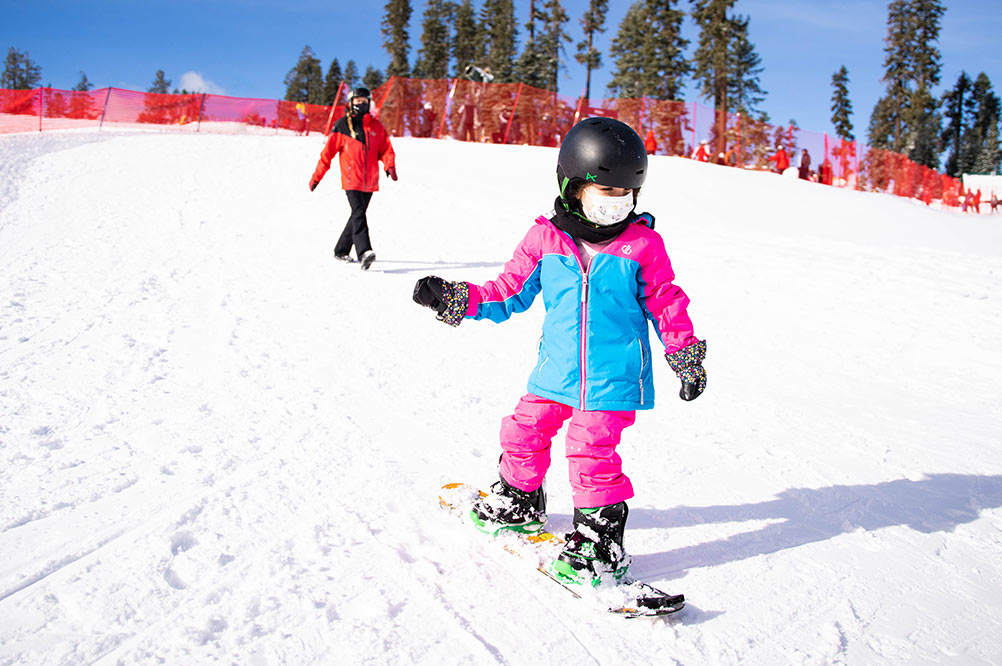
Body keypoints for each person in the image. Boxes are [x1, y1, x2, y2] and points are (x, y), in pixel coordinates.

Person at [412, 117, 706, 587]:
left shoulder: (642, 244)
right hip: (556, 370)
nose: (616, 207)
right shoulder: (545, 240)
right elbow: (507, 292)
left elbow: (666, 301)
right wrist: (456, 297)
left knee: (591, 454)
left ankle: (598, 546)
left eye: (624, 196)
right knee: (523, 431)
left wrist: (685, 353)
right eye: (603, 194)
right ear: (572, 187)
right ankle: (518, 500)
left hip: (612, 378)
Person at [309, 87, 397, 271]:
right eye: (357, 101)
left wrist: (389, 165)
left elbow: (386, 149)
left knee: (357, 215)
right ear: (350, 103)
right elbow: (327, 155)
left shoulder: (376, 127)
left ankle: (341, 250)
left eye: (364, 101)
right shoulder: (342, 126)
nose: (361, 104)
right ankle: (364, 251)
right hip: (352, 180)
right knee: (358, 213)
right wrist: (317, 177)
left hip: (370, 181)